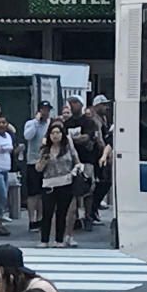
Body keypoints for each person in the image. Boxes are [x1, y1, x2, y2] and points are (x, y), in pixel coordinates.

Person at [35, 121, 81, 248]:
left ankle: (59, 240)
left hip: (65, 182)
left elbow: (77, 162)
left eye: (58, 133)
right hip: (49, 184)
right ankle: (44, 239)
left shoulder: (68, 148)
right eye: (52, 133)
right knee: (47, 212)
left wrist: (73, 172)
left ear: (62, 135)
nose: (55, 135)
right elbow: (38, 168)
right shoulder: (45, 149)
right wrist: (44, 160)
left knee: (62, 212)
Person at [63, 95, 103, 233]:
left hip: (86, 159)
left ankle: (88, 216)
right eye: (70, 103)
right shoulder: (67, 122)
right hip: (70, 160)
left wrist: (72, 140)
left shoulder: (88, 121)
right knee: (73, 189)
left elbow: (86, 137)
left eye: (75, 102)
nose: (72, 105)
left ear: (81, 104)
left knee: (87, 188)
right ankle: (75, 218)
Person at [23, 102, 52, 233]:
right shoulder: (31, 123)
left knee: (43, 192)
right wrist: (36, 121)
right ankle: (31, 219)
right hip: (33, 161)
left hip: (47, 161)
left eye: (48, 110)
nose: (46, 112)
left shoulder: (51, 124)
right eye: (43, 110)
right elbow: (28, 136)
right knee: (33, 193)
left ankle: (41, 218)